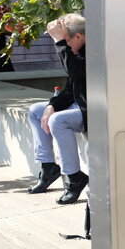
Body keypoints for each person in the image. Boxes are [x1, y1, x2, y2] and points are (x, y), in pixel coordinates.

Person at [26, 14, 89, 204]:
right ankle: (48, 167)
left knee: (57, 120)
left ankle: (74, 177)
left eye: (66, 41)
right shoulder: (77, 50)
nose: (64, 47)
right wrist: (51, 105)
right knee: (36, 111)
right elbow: (71, 87)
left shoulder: (95, 52)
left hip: (95, 109)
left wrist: (59, 42)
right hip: (79, 104)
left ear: (78, 36)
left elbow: (75, 72)